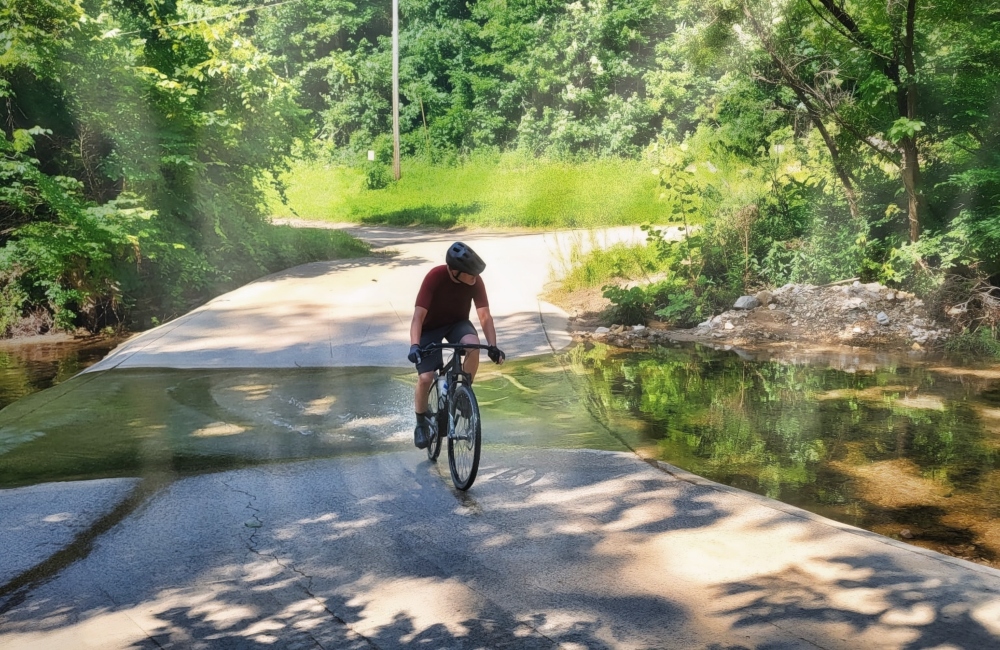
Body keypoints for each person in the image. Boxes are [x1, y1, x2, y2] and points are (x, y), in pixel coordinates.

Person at [407, 242, 505, 449]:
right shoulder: (435, 277)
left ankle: (462, 394)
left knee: (473, 345)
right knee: (425, 378)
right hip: (430, 329)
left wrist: (493, 346)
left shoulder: (475, 281)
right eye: (470, 275)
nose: (475, 278)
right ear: (454, 271)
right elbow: (418, 316)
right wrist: (415, 345)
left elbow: (485, 316)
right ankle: (420, 424)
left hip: (457, 324)